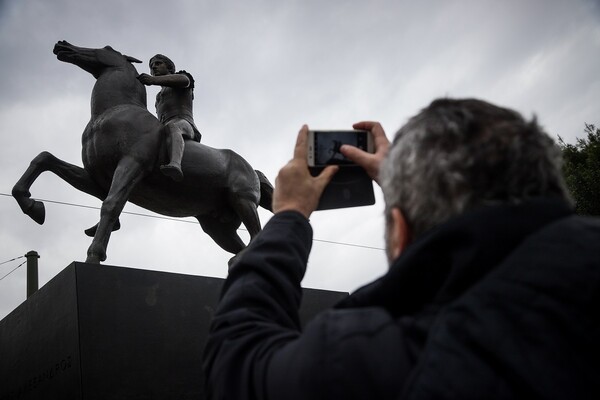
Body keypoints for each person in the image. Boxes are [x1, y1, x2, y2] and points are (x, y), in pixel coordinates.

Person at [202, 98, 600, 399]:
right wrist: (404, 191)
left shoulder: (371, 360)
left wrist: (289, 214)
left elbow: (237, 358)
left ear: (400, 232)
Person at [137, 54, 201, 181]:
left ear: (170, 67)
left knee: (173, 126)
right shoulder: (158, 97)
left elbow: (184, 81)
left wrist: (153, 80)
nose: (154, 67)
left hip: (184, 124)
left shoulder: (182, 77)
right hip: (164, 127)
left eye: (158, 63)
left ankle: (175, 164)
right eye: (151, 66)